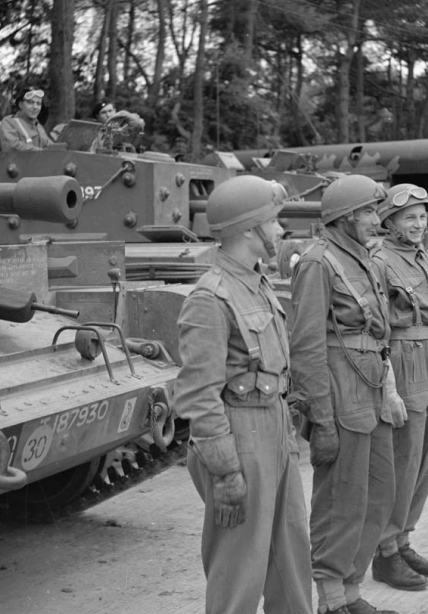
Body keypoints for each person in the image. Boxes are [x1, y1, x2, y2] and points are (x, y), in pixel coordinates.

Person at [174, 175, 313, 614]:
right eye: (274, 222)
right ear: (250, 229)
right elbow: (199, 396)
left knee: (290, 554)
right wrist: (226, 472)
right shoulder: (209, 299)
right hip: (239, 438)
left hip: (272, 427)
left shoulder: (256, 282)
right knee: (239, 565)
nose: (280, 231)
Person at [289, 174, 403, 614]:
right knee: (340, 497)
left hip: (371, 388)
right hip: (339, 392)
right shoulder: (318, 263)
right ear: (344, 216)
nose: (378, 220)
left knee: (378, 492)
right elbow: (306, 345)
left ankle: (352, 591)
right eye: (370, 212)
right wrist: (320, 418)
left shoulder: (367, 260)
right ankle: (331, 599)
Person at [369, 183, 428, 592]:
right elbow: (379, 329)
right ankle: (385, 552)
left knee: (426, 457)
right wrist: (388, 384)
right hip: (403, 361)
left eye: (422, 216)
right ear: (389, 221)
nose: (419, 224)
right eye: (409, 217)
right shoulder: (380, 261)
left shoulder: (421, 256)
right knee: (402, 459)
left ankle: (402, 539)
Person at [0, 86, 53, 151]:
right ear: (20, 104)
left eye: (38, 104)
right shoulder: (9, 123)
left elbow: (51, 146)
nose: (35, 107)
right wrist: (42, 152)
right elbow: (11, 147)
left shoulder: (38, 126)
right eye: (30, 103)